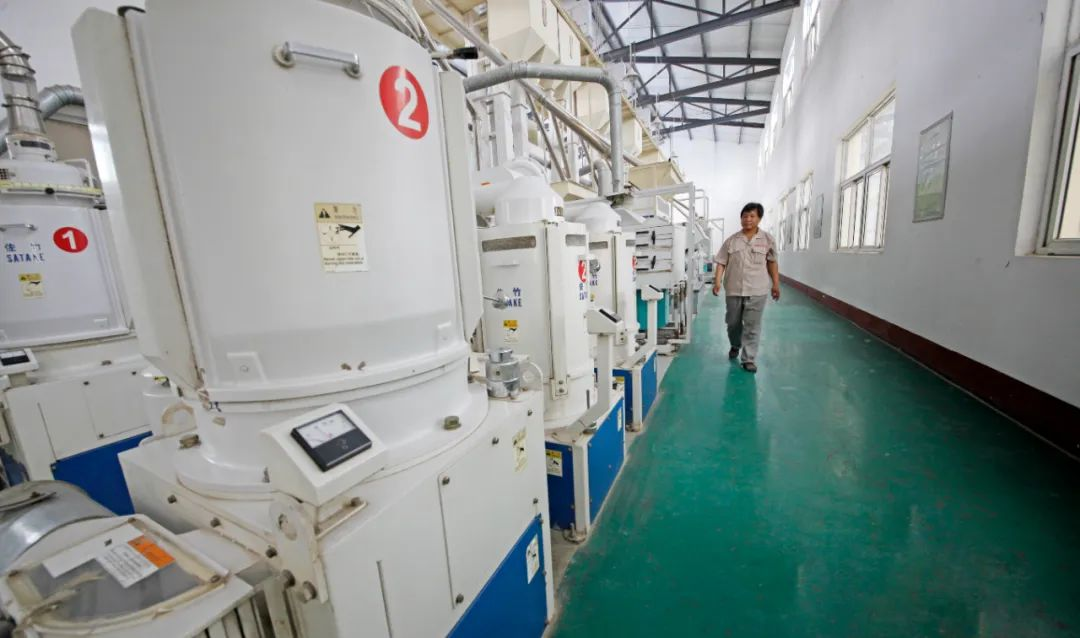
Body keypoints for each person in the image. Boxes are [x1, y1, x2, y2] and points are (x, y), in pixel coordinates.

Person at [711, 202, 780, 373]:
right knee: (732, 323)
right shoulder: (732, 240)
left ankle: (749, 359)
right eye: (745, 216)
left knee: (752, 325)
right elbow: (721, 262)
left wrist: (776, 284)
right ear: (741, 218)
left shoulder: (768, 240)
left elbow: (772, 263)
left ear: (759, 218)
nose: (748, 219)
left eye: (752, 216)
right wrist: (717, 281)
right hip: (734, 289)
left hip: (758, 290)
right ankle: (735, 344)